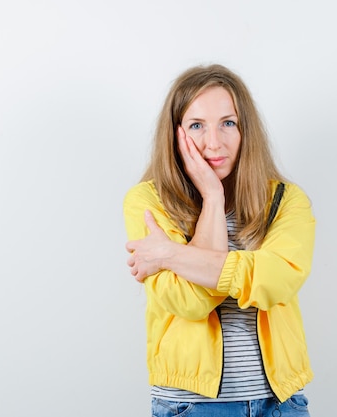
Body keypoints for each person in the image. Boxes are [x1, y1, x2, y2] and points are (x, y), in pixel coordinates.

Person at [123, 64, 316, 417]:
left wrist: (170, 254)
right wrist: (212, 198)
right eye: (197, 125)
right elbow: (191, 302)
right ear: (175, 133)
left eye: (228, 123)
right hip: (192, 405)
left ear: (246, 131)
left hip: (281, 402)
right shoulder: (148, 202)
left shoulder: (286, 200)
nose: (214, 142)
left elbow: (277, 279)